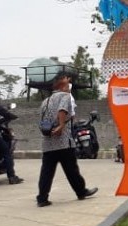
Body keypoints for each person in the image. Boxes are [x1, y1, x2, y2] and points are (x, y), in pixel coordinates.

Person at [36, 72, 97, 207]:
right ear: (61, 84)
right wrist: (62, 125)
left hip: (48, 142)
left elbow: (42, 120)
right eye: (66, 81)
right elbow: (62, 110)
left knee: (46, 171)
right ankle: (81, 191)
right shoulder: (65, 96)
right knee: (71, 169)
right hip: (63, 140)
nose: (69, 83)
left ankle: (42, 198)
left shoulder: (45, 101)